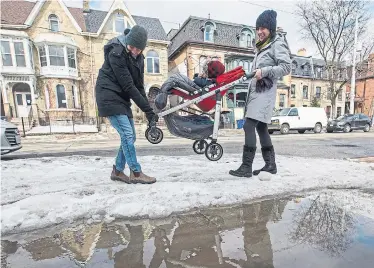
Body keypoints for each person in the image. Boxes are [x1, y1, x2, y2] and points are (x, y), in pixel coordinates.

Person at [229, 10, 291, 178]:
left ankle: (246, 166)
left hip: (265, 91)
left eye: (263, 28)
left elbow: (286, 67)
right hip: (257, 90)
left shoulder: (277, 43)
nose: (259, 31)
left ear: (270, 28)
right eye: (257, 28)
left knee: (249, 125)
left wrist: (263, 71)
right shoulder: (262, 46)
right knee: (261, 127)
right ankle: (270, 165)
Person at [95, 25, 158, 184]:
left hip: (121, 99)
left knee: (131, 136)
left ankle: (117, 171)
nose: (135, 51)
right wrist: (147, 110)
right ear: (127, 43)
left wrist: (148, 111)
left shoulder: (140, 58)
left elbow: (139, 86)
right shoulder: (116, 53)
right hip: (108, 96)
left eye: (139, 49)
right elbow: (129, 86)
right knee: (127, 135)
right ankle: (136, 173)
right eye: (132, 47)